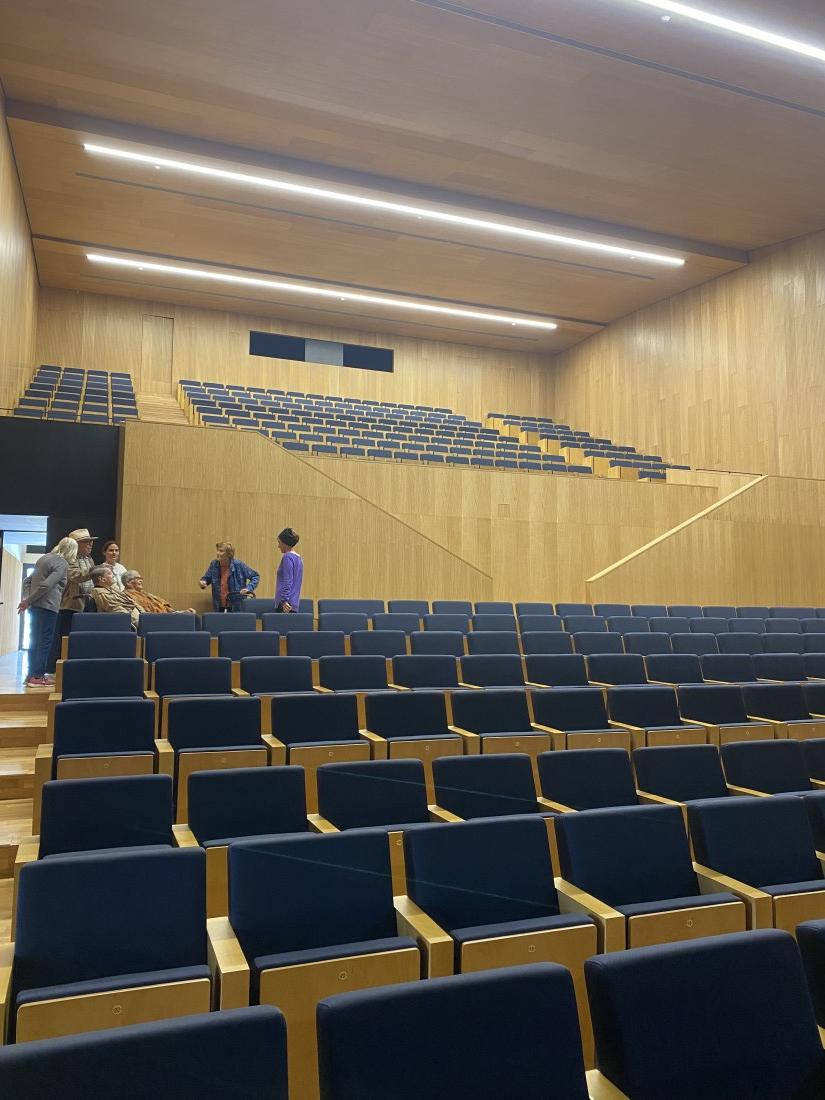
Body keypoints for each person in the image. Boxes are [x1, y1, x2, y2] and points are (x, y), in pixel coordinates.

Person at [18, 537, 77, 688]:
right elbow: (46, 585)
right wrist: (27, 601)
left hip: (35, 606)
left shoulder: (43, 559)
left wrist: (28, 600)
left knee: (34, 641)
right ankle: (38, 676)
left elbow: (27, 581)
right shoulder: (62, 563)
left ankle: (31, 675)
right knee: (45, 641)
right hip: (49, 606)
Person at [46, 527, 97, 679]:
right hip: (70, 604)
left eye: (91, 541)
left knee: (83, 638)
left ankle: (77, 668)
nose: (90, 544)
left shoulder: (89, 559)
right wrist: (97, 571)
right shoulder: (68, 558)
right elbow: (75, 576)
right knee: (65, 637)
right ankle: (58, 670)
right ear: (76, 544)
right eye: (86, 542)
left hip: (88, 602)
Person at [199, 542, 260, 612]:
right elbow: (207, 578)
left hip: (236, 606)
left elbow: (255, 576)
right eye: (217, 550)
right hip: (219, 605)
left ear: (229, 554)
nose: (217, 553)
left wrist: (248, 588)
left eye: (221, 551)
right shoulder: (214, 564)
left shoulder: (238, 564)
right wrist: (203, 582)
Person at [123, 571, 196, 614]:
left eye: (141, 578)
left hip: (166, 618)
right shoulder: (126, 596)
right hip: (156, 621)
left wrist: (182, 613)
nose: (141, 581)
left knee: (192, 616)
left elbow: (167, 610)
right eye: (137, 578)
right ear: (128, 582)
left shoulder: (147, 595)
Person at [275, 528, 303, 612]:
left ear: (285, 544)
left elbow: (288, 581)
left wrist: (284, 601)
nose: (278, 546)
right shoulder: (299, 558)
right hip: (294, 603)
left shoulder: (287, 557)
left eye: (279, 542)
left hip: (285, 605)